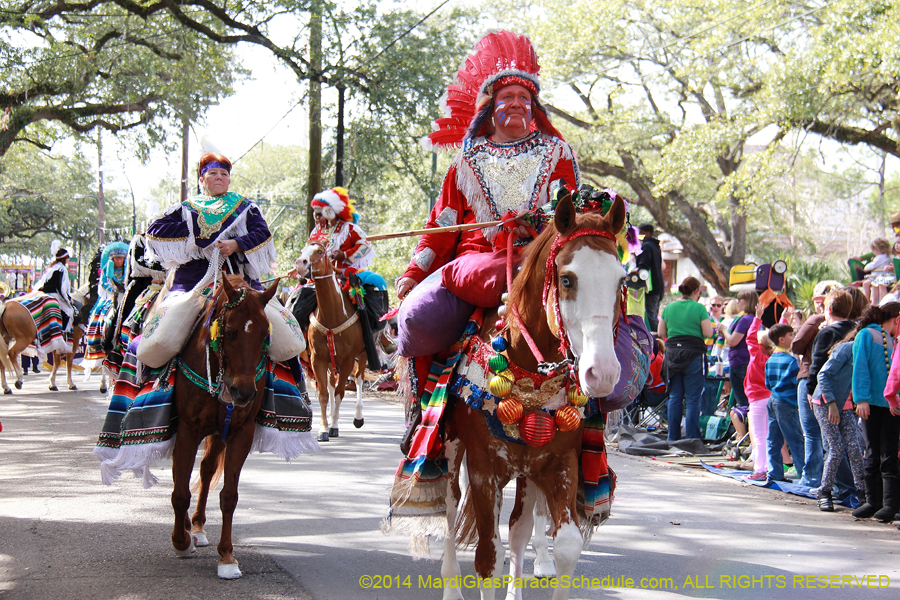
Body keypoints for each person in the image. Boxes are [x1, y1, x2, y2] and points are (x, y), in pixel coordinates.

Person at [394, 32, 579, 303]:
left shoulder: (557, 152)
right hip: (473, 266)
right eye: (507, 97)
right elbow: (443, 225)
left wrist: (534, 220)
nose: (516, 103)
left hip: (539, 261)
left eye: (524, 97)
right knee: (417, 315)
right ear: (490, 109)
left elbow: (568, 210)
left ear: (533, 108)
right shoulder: (466, 158)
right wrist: (414, 272)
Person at [291, 187, 385, 368]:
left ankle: (378, 336)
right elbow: (307, 256)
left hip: (345, 275)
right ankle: (298, 343)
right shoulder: (315, 233)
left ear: (332, 211)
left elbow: (365, 246)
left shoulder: (350, 229)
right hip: (318, 280)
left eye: (320, 213)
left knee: (364, 298)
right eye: (315, 214)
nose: (317, 218)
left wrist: (345, 255)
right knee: (296, 301)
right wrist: (296, 269)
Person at [801, 289, 856, 488]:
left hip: (827, 395)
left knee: (832, 444)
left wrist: (810, 390)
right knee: (849, 445)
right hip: (850, 394)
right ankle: (851, 486)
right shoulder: (857, 330)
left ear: (829, 309)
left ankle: (841, 487)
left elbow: (817, 366)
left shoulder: (827, 333)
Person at [850, 302, 900, 522]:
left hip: (891, 405)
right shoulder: (867, 335)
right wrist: (861, 398)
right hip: (871, 403)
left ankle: (889, 504)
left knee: (888, 453)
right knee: (872, 452)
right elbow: (860, 366)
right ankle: (873, 501)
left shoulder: (894, 340)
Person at [811, 335, 867, 512]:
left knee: (855, 448)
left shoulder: (871, 352)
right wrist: (831, 403)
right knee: (836, 448)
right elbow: (823, 375)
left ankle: (863, 493)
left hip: (846, 405)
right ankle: (825, 491)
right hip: (826, 403)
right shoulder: (847, 349)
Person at [658, 276, 713, 441]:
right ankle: (691, 438)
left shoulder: (669, 307)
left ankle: (672, 437)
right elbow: (708, 333)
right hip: (693, 354)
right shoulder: (699, 308)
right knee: (693, 399)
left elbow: (661, 332)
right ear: (696, 291)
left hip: (673, 355)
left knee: (675, 397)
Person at [764, 323, 806, 483]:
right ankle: (803, 473)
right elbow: (797, 383)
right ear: (781, 339)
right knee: (795, 438)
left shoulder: (770, 360)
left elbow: (768, 383)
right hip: (787, 402)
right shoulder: (791, 361)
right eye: (791, 335)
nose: (793, 338)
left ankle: (774, 472)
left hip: (772, 399)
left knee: (773, 439)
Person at [742, 300, 775, 480]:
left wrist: (758, 318)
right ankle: (768, 467)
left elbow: (750, 337)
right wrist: (784, 321)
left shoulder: (757, 356)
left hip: (757, 399)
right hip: (770, 398)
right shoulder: (774, 356)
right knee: (768, 435)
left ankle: (760, 469)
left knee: (759, 436)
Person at [83, 241, 128, 366]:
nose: (119, 261)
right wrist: (114, 291)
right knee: (98, 315)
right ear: (112, 259)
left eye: (121, 258)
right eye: (117, 258)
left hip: (125, 295)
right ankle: (98, 342)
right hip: (109, 296)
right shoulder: (107, 269)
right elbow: (104, 284)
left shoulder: (128, 270)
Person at [719, 290, 758, 410]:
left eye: (740, 300)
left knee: (742, 401)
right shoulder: (754, 318)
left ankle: (743, 421)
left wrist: (724, 330)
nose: (737, 302)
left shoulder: (745, 319)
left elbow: (733, 341)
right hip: (747, 361)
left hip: (740, 362)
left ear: (747, 302)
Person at [35, 243, 75, 333]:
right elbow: (62, 289)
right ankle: (63, 332)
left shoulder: (51, 267)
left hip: (43, 294)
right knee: (70, 312)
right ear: (64, 259)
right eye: (67, 258)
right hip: (54, 295)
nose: (68, 259)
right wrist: (69, 299)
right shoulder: (62, 269)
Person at [636, 223, 664, 332]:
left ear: (647, 233)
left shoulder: (647, 246)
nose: (639, 235)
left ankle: (655, 338)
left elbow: (644, 265)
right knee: (653, 314)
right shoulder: (655, 247)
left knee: (650, 316)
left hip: (650, 287)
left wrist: (638, 271)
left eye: (640, 233)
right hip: (658, 286)